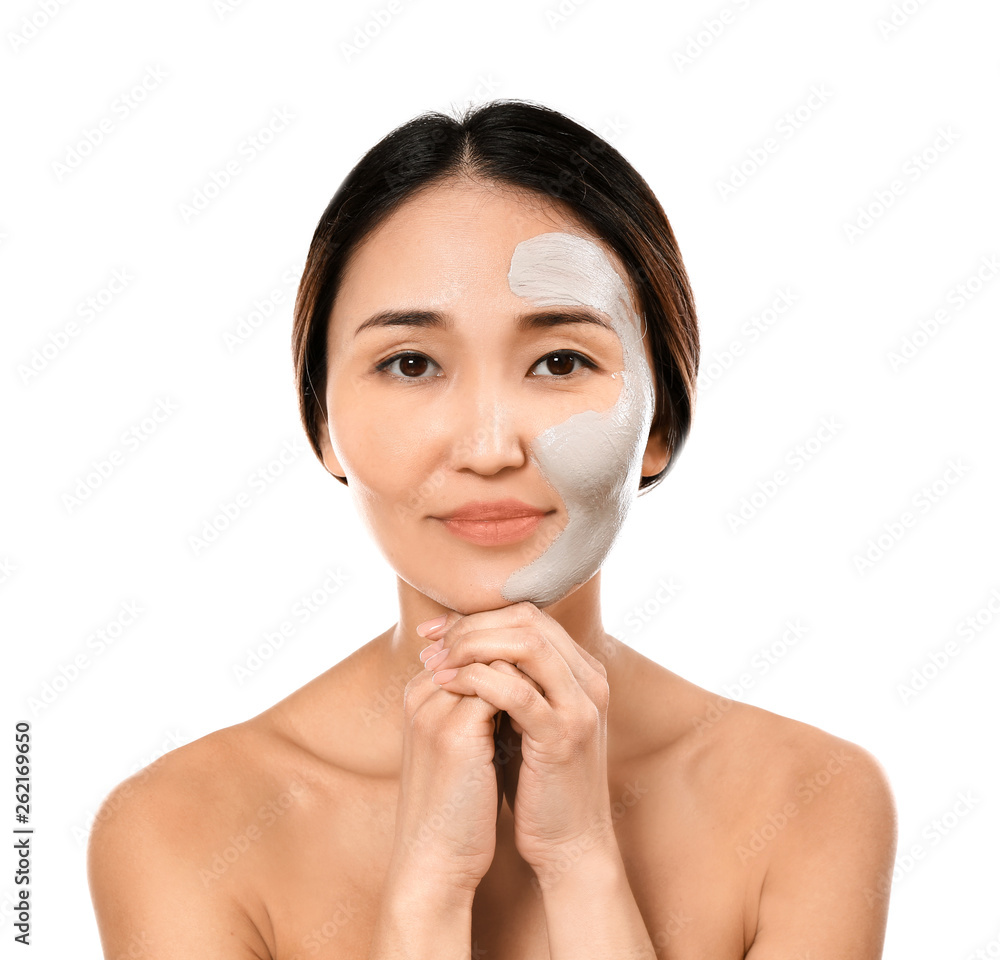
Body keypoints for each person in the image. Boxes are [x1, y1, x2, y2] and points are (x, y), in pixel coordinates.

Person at [87, 99, 897, 960]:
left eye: (559, 361)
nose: (487, 447)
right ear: (323, 424)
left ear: (660, 419)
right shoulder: (178, 831)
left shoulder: (812, 803)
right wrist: (430, 890)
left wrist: (581, 860)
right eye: (410, 363)